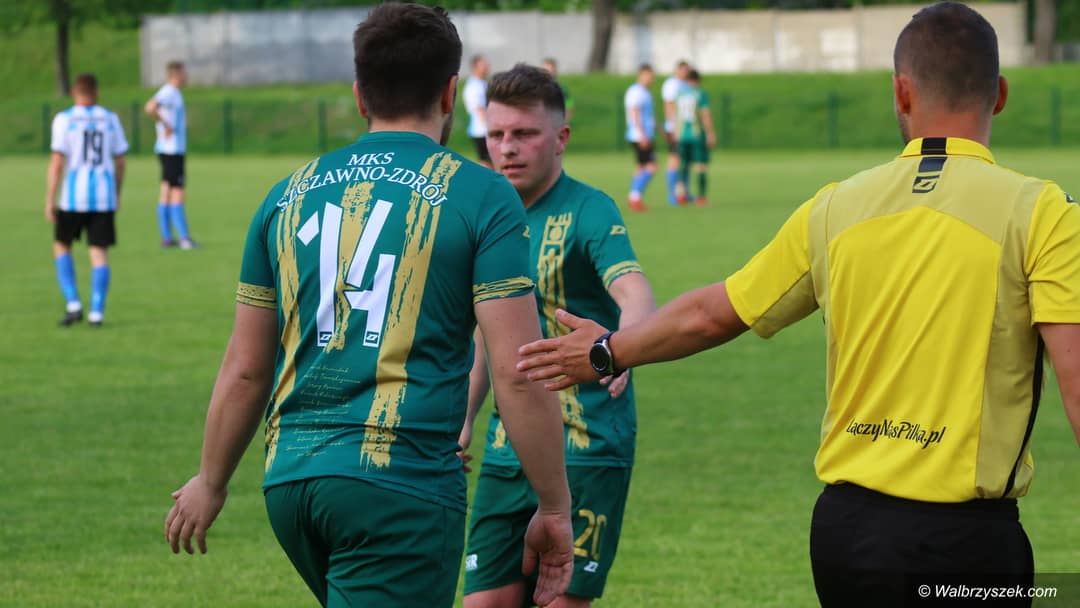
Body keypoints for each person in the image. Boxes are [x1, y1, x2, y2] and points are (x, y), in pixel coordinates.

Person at [517, 3, 1080, 606]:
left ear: (901, 92)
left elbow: (714, 312)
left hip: (845, 534)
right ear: (999, 94)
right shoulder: (1042, 214)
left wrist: (607, 350)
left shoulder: (836, 206)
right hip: (965, 541)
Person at [163, 5, 574, 608]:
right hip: (398, 487)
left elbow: (247, 367)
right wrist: (555, 506)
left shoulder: (286, 196)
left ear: (360, 95)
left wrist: (212, 479)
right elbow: (517, 369)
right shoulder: (482, 194)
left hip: (292, 482)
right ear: (450, 93)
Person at [461, 64, 657, 608]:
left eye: (524, 133)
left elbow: (634, 292)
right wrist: (463, 419)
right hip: (508, 448)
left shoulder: (589, 210)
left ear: (561, 137)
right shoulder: (485, 218)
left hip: (586, 447)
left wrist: (624, 348)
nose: (507, 148)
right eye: (496, 134)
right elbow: (486, 338)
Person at [45, 73, 128, 328]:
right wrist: (116, 193)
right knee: (99, 253)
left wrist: (49, 199)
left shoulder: (64, 119)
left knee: (62, 246)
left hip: (73, 198)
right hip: (103, 197)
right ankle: (96, 313)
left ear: (74, 92)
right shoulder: (110, 118)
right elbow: (120, 161)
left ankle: (73, 304)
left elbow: (57, 162)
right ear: (96, 92)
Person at [144, 60, 196, 249]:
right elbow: (150, 107)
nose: (187, 76)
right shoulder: (170, 92)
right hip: (172, 150)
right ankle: (184, 238)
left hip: (166, 150)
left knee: (166, 191)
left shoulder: (172, 93)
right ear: (177, 74)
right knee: (177, 192)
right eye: (184, 73)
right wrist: (165, 124)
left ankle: (167, 237)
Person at [674, 70, 716, 207]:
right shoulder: (699, 93)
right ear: (698, 80)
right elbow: (705, 114)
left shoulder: (679, 94)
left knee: (683, 165)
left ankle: (680, 195)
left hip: (681, 135)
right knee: (701, 165)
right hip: (696, 134)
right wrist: (710, 133)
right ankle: (701, 197)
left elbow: (675, 114)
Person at [624, 64, 656, 213]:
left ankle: (634, 197)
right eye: (650, 75)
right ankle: (635, 196)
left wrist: (660, 130)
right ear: (641, 75)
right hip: (639, 136)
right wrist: (641, 134)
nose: (652, 79)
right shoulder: (636, 92)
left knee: (641, 167)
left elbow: (648, 116)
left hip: (643, 135)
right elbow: (634, 113)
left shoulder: (645, 92)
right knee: (651, 166)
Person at [661, 60, 690, 206]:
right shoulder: (672, 84)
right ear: (677, 70)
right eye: (684, 70)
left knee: (686, 160)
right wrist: (672, 127)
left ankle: (684, 193)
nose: (686, 73)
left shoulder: (686, 85)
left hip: (686, 129)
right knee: (674, 159)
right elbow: (668, 105)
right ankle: (672, 195)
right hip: (675, 129)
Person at [464, 54, 492, 168]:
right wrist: (490, 128)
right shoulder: (474, 86)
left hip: (484, 129)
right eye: (483, 65)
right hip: (481, 130)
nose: (487, 67)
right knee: (486, 162)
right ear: (475, 67)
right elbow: (479, 109)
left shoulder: (482, 83)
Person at [540, 57, 574, 122]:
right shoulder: (536, 88)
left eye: (551, 71)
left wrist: (562, 122)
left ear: (556, 72)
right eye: (545, 71)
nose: (548, 74)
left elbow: (569, 108)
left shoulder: (562, 90)